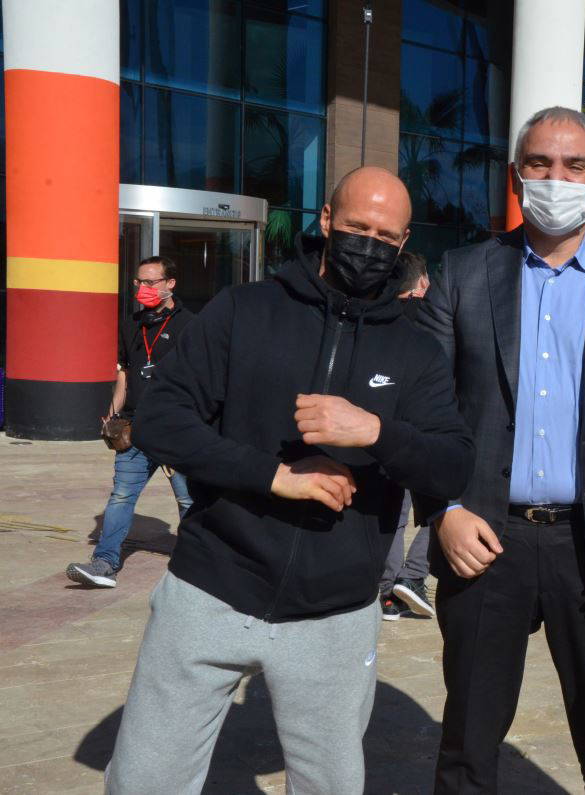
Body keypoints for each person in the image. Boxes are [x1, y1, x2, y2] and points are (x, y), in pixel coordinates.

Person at [104, 167, 475, 794]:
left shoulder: (415, 351)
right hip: (211, 589)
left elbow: (453, 461)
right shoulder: (244, 310)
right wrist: (272, 475)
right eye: (357, 227)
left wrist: (375, 431)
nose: (369, 245)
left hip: (335, 613)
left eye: (386, 237)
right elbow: (160, 419)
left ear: (404, 241)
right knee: (144, 780)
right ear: (327, 220)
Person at [413, 106, 585, 794]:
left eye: (574, 166)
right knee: (468, 740)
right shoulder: (462, 273)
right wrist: (443, 508)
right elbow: (425, 407)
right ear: (516, 177)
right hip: (483, 538)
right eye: (539, 164)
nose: (555, 179)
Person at [66, 257, 195, 588]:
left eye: (151, 282)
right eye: (139, 282)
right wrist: (112, 412)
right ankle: (104, 563)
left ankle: (200, 563)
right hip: (134, 428)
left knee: (188, 500)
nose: (143, 289)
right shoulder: (131, 324)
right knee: (122, 496)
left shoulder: (191, 326)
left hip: (176, 429)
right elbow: (124, 374)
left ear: (170, 284)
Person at [379, 251, 435, 620]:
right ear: (423, 283)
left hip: (383, 428)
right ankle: (413, 577)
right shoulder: (433, 318)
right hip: (427, 428)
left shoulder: (378, 316)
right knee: (442, 506)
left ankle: (388, 592)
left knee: (393, 511)